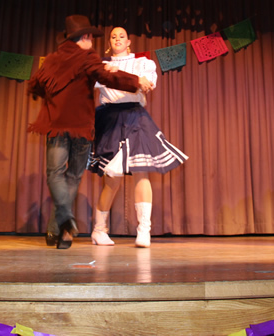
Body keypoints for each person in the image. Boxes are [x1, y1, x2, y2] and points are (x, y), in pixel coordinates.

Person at [27, 15, 154, 249]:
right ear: (84, 37)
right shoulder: (89, 58)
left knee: (55, 173)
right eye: (90, 37)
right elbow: (108, 77)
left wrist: (52, 97)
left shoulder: (53, 60)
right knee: (74, 176)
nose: (92, 41)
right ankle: (66, 227)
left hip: (59, 125)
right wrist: (136, 81)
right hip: (84, 127)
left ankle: (61, 224)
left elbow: (35, 84)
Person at [88, 27, 188, 248]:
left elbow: (147, 84)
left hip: (135, 117)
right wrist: (115, 74)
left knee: (141, 173)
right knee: (112, 180)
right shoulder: (100, 66)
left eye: (121, 36)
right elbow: (98, 83)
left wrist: (119, 75)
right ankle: (99, 230)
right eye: (113, 36)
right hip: (110, 119)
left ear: (129, 42)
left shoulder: (142, 63)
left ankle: (144, 230)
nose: (117, 39)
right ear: (109, 42)